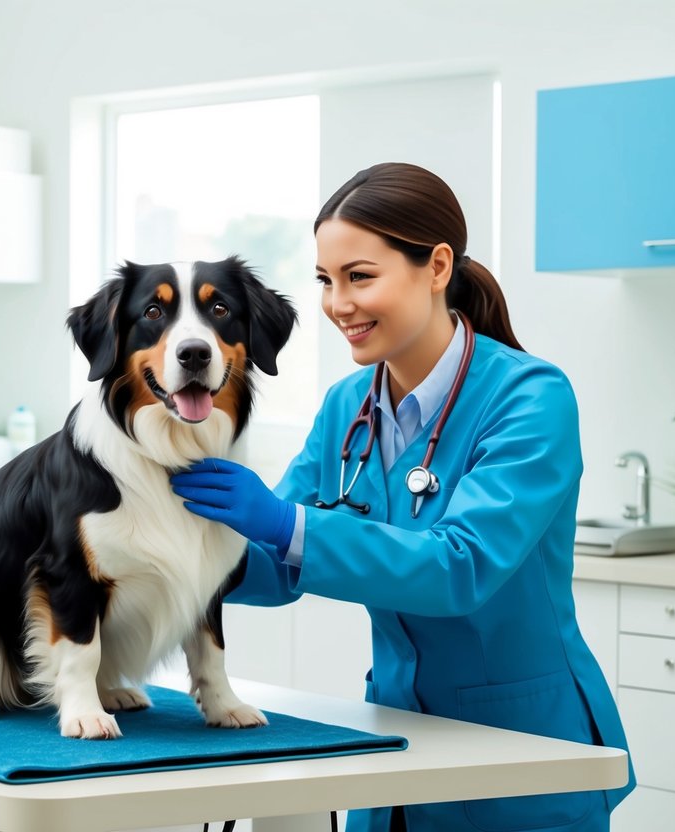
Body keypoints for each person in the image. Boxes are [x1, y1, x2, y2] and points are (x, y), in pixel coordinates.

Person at [170, 162, 633, 831]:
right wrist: (172, 541)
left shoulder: (530, 398)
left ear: (437, 266)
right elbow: (276, 569)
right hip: (392, 743)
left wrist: (281, 520)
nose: (337, 304)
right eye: (325, 281)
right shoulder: (345, 407)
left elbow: (458, 567)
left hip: (521, 752)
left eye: (359, 277)